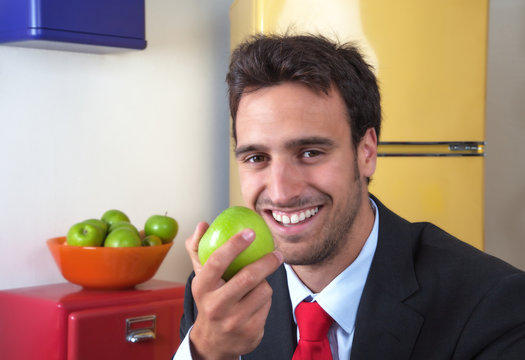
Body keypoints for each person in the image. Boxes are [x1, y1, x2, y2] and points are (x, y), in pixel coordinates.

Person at [174, 34, 525, 359]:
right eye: (256, 158)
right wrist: (205, 351)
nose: (280, 192)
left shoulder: (493, 304)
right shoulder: (219, 296)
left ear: (367, 152)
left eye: (310, 152)